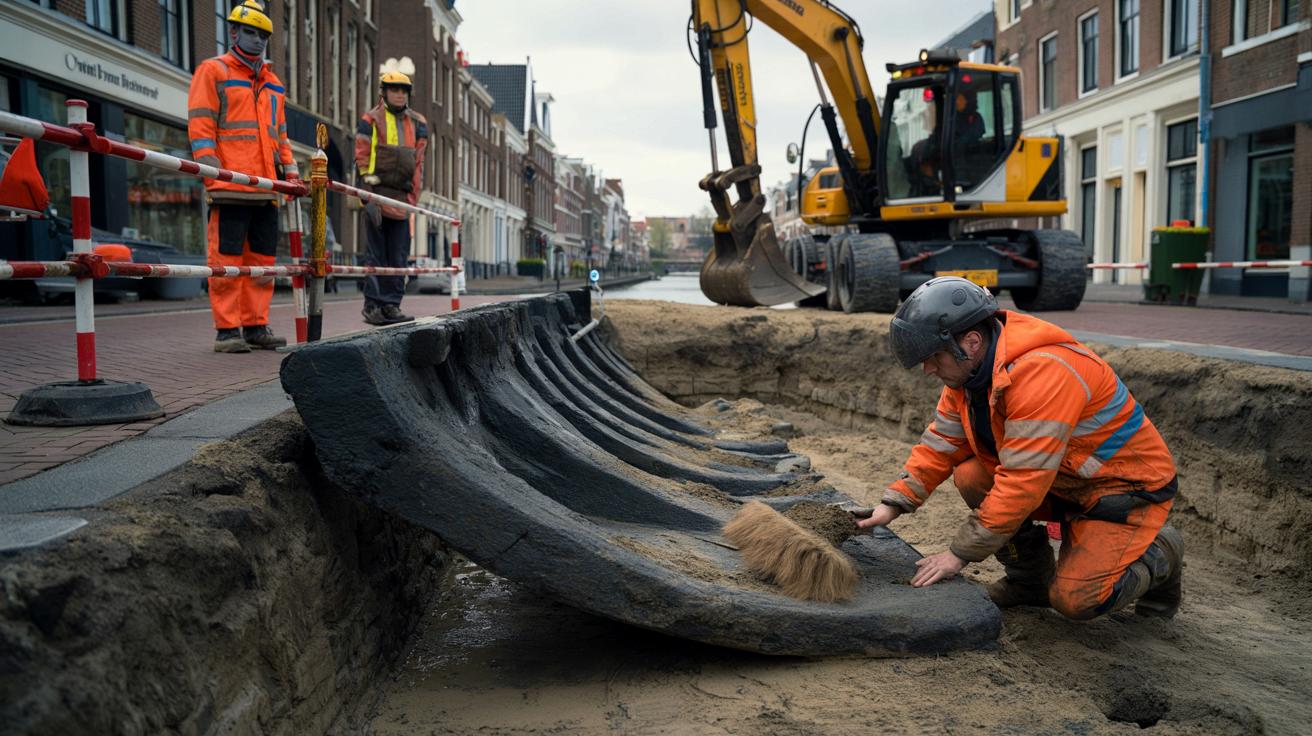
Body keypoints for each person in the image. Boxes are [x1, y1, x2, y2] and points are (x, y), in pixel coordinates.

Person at [857, 277, 1185, 620]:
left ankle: (1164, 551)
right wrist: (892, 504)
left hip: (1121, 490)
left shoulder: (1043, 372)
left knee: (1077, 601)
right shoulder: (967, 376)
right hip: (1063, 478)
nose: (927, 369)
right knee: (972, 476)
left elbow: (1023, 481)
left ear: (970, 342)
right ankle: (1029, 581)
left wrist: (959, 554)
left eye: (933, 357)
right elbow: (940, 445)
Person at [187, 0, 295, 353]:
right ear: (233, 32)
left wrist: (291, 176)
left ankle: (255, 325)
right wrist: (210, 174)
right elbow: (201, 125)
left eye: (263, 35)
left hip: (266, 189)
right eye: (249, 32)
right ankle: (227, 331)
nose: (256, 40)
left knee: (262, 263)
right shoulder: (213, 71)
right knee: (226, 262)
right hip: (229, 186)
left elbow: (280, 135)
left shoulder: (274, 84)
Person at [354, 57, 428, 326]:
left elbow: (419, 163)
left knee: (398, 255)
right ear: (383, 93)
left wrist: (413, 199)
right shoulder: (371, 119)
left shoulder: (419, 123)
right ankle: (373, 305)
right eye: (393, 90)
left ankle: (391, 305)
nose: (399, 94)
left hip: (402, 197)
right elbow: (362, 156)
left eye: (403, 90)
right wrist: (367, 194)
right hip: (377, 193)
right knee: (376, 254)